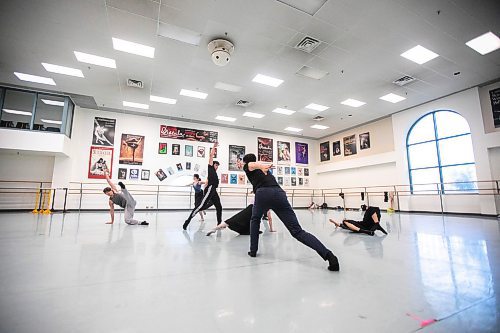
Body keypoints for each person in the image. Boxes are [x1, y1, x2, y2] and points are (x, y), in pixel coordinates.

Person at [239, 153, 339, 271]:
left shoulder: (250, 166)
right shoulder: (265, 172)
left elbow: (252, 164)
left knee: (255, 220)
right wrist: (261, 168)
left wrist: (259, 165)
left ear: (246, 162)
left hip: (263, 194)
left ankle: (253, 250)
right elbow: (259, 171)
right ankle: (329, 256)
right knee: (297, 231)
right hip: (279, 193)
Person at [183, 143, 222, 229]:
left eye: (218, 166)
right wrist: (214, 147)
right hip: (210, 189)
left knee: (219, 206)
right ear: (212, 164)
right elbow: (211, 156)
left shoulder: (214, 173)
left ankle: (219, 223)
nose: (217, 167)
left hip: (213, 190)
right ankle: (187, 221)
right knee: (199, 207)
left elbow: (207, 181)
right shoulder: (210, 167)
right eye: (216, 165)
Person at [206, 204, 275, 236]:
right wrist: (271, 229)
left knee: (234, 220)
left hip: (250, 209)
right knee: (236, 221)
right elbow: (270, 219)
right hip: (251, 212)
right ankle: (215, 228)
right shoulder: (267, 207)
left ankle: (215, 228)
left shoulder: (261, 199)